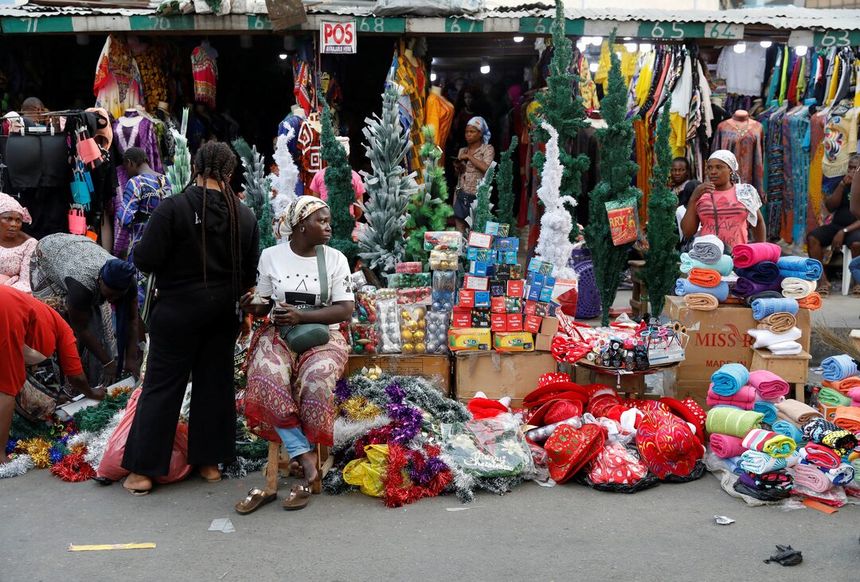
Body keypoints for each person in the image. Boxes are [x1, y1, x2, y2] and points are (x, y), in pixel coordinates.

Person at [121, 141, 260, 495]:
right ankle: (210, 464)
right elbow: (249, 273)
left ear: (196, 167)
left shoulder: (174, 207)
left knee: (163, 387)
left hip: (176, 312)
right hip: (221, 314)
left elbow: (145, 258)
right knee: (215, 385)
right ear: (229, 174)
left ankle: (142, 473)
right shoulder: (244, 215)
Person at [239, 197, 353, 512]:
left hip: (323, 335)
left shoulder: (334, 259)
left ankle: (307, 457)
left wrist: (301, 317)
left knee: (315, 380)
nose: (329, 227)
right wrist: (253, 305)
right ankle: (304, 455)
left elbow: (345, 309)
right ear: (302, 225)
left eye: (328, 221)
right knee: (265, 376)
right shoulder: (271, 256)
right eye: (322, 221)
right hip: (279, 334)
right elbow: (263, 304)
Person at [0, 286, 104, 464]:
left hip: (6, 301)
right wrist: (93, 393)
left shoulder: (36, 310)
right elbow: (76, 377)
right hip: (5, 311)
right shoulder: (64, 330)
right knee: (6, 387)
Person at [31, 233, 141, 385]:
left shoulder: (127, 279)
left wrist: (130, 359)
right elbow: (80, 328)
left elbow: (132, 319)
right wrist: (108, 363)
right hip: (48, 254)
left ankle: (95, 375)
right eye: (110, 295)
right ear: (99, 280)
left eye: (118, 296)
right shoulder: (81, 286)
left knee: (100, 325)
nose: (112, 300)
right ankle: (70, 383)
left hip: (82, 248)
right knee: (63, 327)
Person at [114, 147, 173, 306]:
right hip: (164, 246)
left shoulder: (136, 182)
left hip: (141, 245)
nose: (127, 172)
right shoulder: (166, 180)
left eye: (126, 168)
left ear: (130, 163)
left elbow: (125, 218)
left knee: (139, 294)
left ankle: (141, 327)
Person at [681, 149, 766, 252]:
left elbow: (758, 222)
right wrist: (693, 198)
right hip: (706, 256)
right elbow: (687, 232)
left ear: (730, 169)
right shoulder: (701, 195)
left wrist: (761, 251)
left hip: (739, 256)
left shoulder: (744, 192)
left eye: (719, 167)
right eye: (709, 167)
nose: (713, 172)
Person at [807, 154, 860, 296]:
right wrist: (842, 185)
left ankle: (858, 282)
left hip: (855, 227)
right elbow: (830, 207)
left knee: (856, 243)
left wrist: (844, 230)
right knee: (813, 238)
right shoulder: (842, 183)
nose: (852, 171)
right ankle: (822, 280)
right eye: (850, 168)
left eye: (856, 168)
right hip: (838, 226)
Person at [453, 117, 495, 233]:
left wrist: (469, 157)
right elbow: (458, 174)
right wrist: (459, 167)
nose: (468, 135)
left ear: (480, 133)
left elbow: (487, 169)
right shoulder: (462, 150)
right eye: (466, 132)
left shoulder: (487, 149)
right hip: (461, 195)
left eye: (472, 132)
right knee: (459, 231)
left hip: (478, 197)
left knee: (476, 231)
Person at [0, 192, 37, 292]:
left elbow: (26, 282)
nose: (14, 224)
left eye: (18, 220)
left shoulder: (30, 244)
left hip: (12, 293)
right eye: (8, 219)